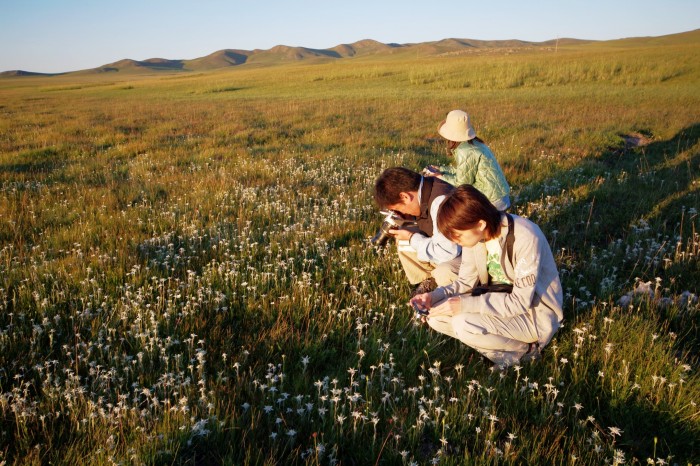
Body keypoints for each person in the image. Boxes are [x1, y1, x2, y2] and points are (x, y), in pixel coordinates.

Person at [410, 184, 563, 367]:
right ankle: (508, 351)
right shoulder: (476, 238)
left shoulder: (525, 236)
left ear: (480, 224)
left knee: (462, 322)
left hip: (533, 313)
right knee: (435, 317)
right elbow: (465, 282)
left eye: (458, 235)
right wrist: (433, 296)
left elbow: (520, 302)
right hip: (497, 301)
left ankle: (525, 353)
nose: (455, 241)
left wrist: (464, 305)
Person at [374, 167, 462, 296]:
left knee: (444, 271)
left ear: (405, 196)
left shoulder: (440, 202)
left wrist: (412, 237)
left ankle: (444, 295)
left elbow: (448, 252)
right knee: (403, 241)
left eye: (398, 209)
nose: (400, 213)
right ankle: (428, 280)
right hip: (449, 246)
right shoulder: (427, 186)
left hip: (467, 255)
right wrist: (410, 220)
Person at [424, 110, 511, 211]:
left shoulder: (465, 151)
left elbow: (462, 183)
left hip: (491, 201)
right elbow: (464, 171)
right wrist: (441, 169)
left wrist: (440, 176)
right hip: (500, 196)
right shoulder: (474, 143)